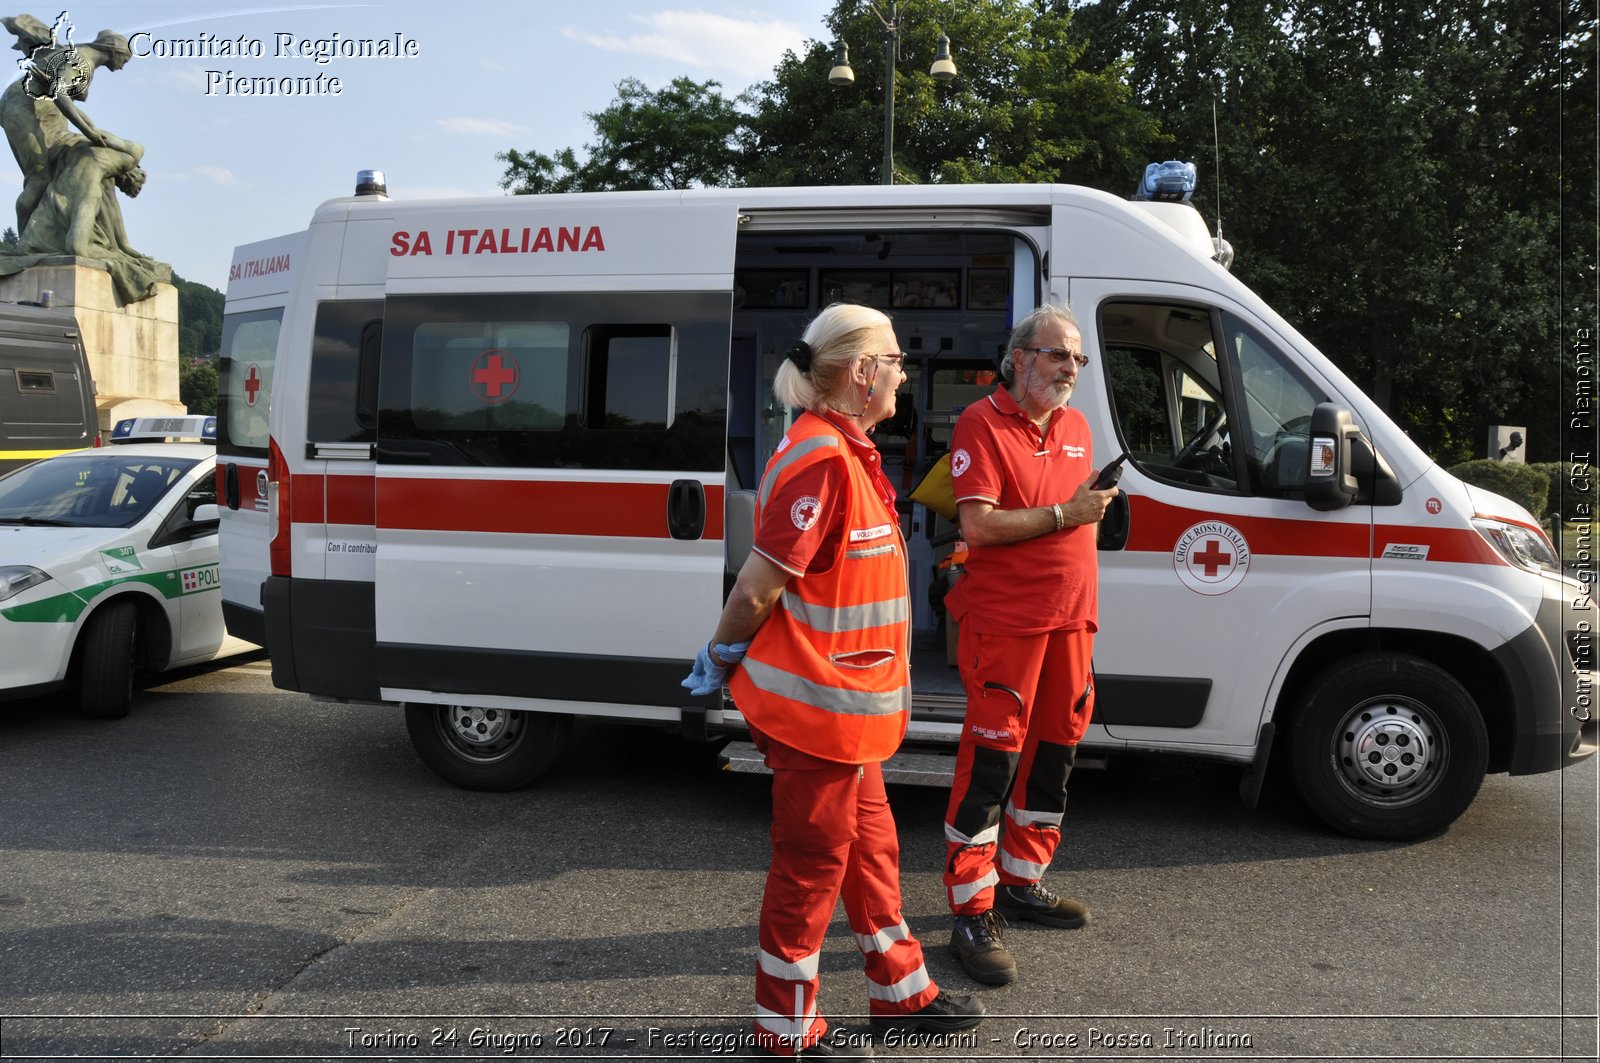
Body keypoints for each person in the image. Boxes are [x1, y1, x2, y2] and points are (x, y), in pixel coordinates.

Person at [683, 303, 984, 1059]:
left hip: (847, 715)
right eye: (895, 359)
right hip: (816, 713)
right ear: (861, 372)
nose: (905, 372)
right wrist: (721, 651)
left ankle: (901, 992)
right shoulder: (821, 458)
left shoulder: (842, 449)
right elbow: (758, 587)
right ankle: (785, 1032)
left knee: (872, 849)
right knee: (811, 866)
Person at [939, 303, 1118, 987]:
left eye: (1077, 357)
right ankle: (970, 910)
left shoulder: (1074, 425)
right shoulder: (979, 423)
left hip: (1071, 622)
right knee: (989, 769)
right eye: (1057, 354)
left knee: (1053, 761)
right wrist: (1066, 514)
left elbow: (1072, 513)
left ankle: (1020, 880)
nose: (1070, 367)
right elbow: (978, 527)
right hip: (1006, 627)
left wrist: (1092, 510)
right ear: (1020, 357)